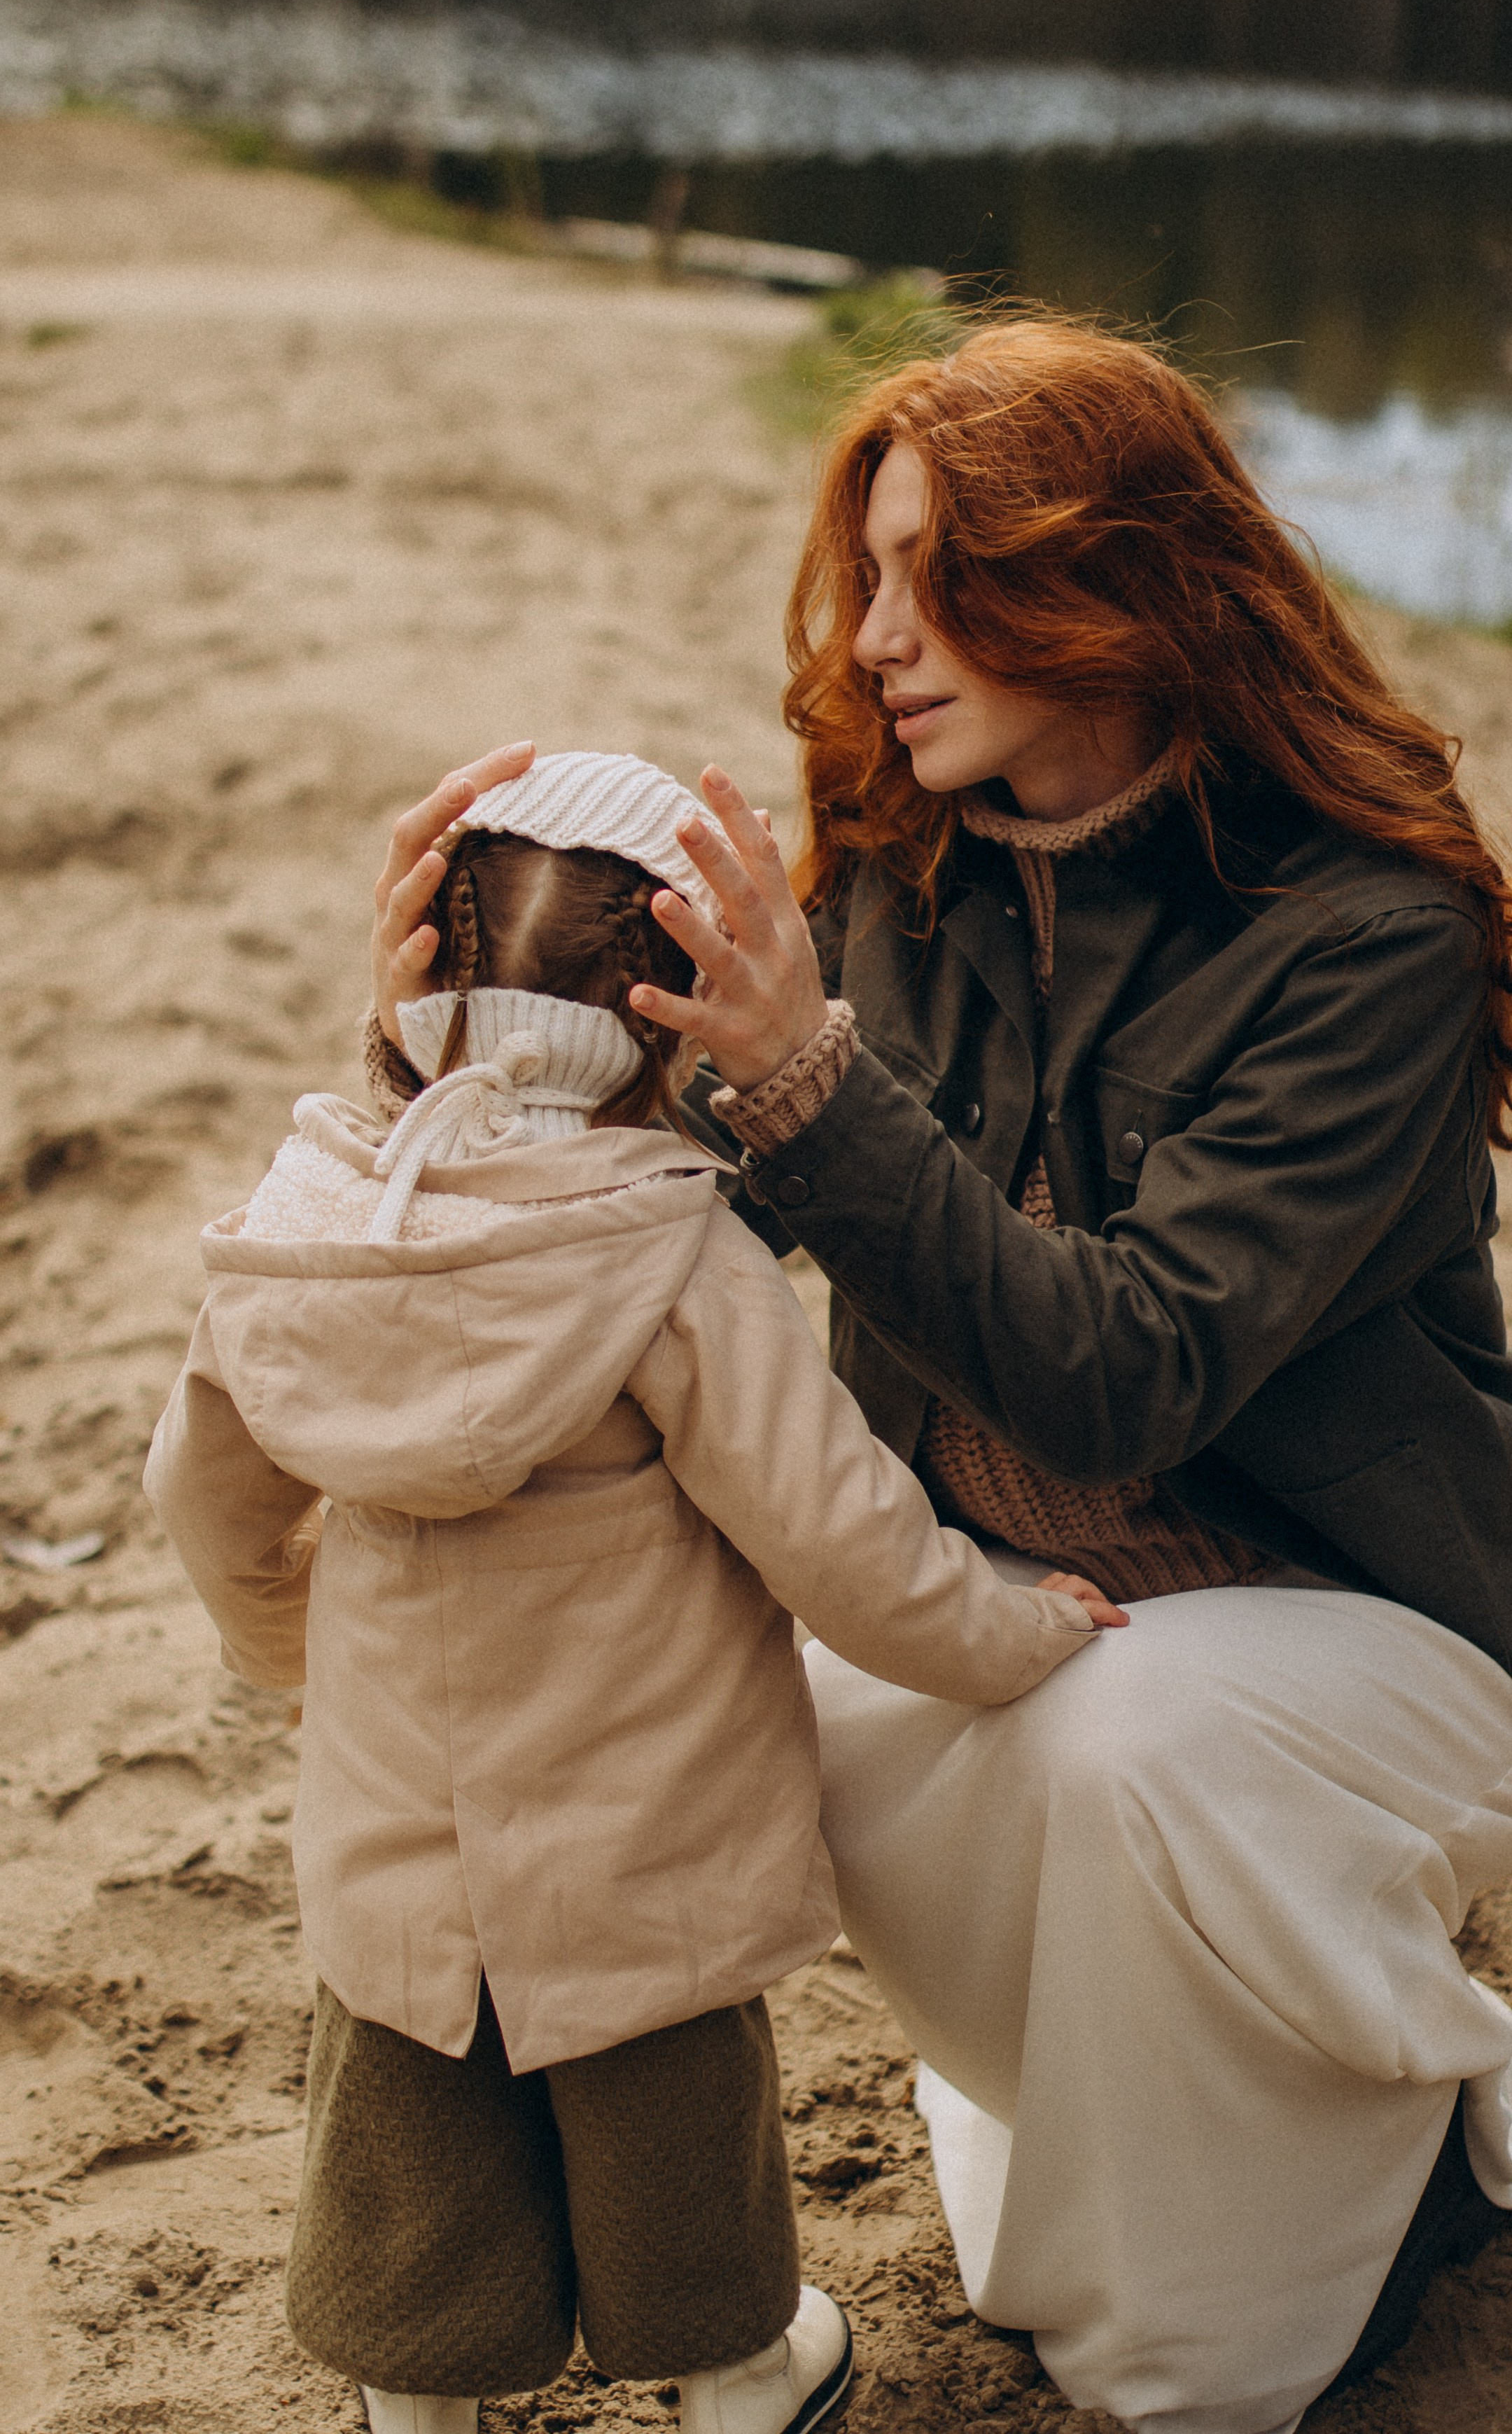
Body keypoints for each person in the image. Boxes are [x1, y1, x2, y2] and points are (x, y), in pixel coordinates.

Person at [368, 319, 1512, 2434]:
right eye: (871, 576)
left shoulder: (1372, 942)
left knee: (1127, 1752)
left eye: (936, 578)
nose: (878, 638)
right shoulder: (904, 876)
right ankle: (1306, 2120)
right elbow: (668, 1246)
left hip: (1359, 1622)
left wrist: (812, 1079)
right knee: (692, 1707)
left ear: (1119, 576)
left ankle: (1315, 2246)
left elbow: (1131, 1379)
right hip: (1013, 1602)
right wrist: (448, 1056)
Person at [144, 749, 1121, 2434]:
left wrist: (299, 1650)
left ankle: (415, 2397)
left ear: (417, 985)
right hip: (639, 1836)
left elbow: (203, 1495)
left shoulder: (312, 1225)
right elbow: (842, 1544)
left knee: (406, 2099)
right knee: (669, 2109)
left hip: (402, 1831)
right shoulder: (670, 1252)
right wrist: (1020, 1627)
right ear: (668, 1027)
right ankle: (737, 2374)